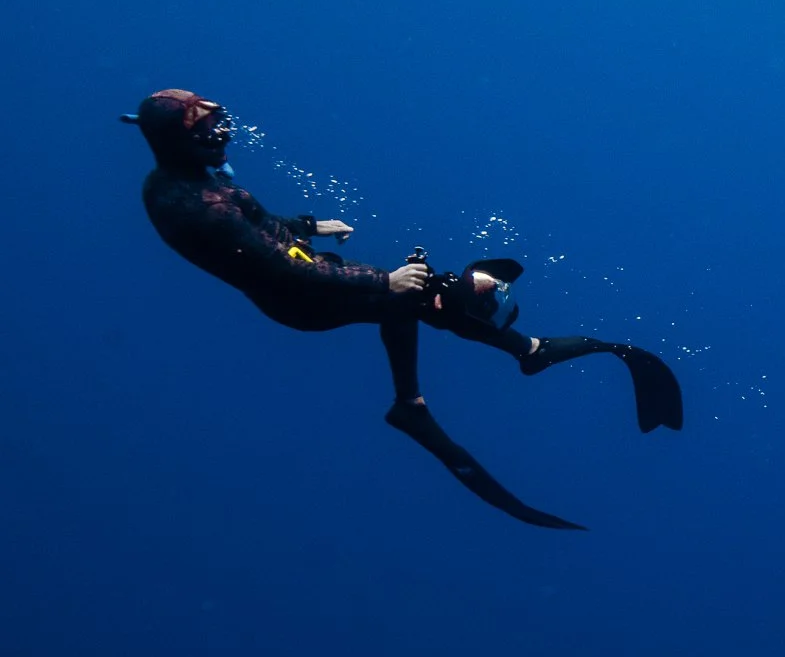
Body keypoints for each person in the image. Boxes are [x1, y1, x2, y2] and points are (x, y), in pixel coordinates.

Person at [126, 88, 681, 528]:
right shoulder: (198, 205)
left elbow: (264, 231)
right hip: (300, 298)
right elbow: (280, 268)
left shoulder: (194, 177)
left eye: (218, 118)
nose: (223, 132)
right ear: (179, 140)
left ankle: (463, 378)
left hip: (304, 282)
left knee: (420, 293)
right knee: (418, 292)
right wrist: (381, 280)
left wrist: (309, 225)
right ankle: (491, 367)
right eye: (205, 127)